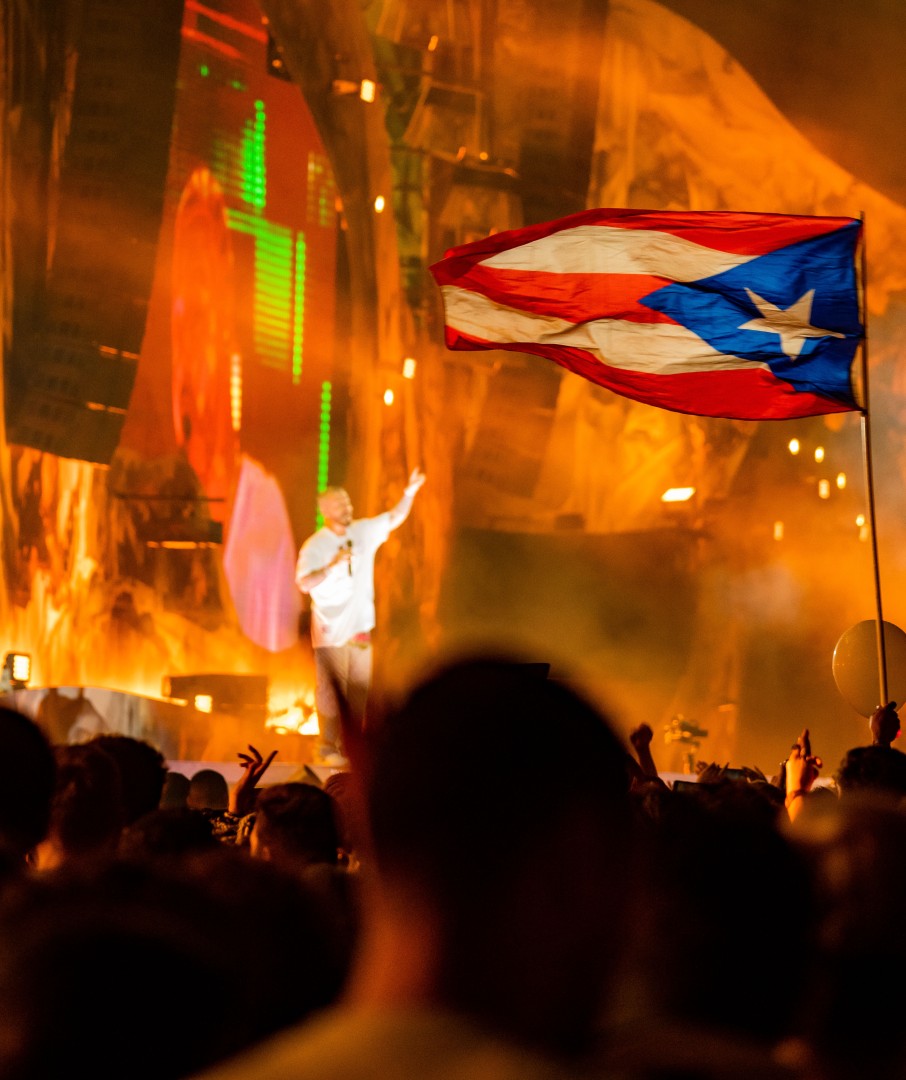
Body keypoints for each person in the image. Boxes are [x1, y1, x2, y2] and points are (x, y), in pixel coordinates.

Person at [295, 467, 426, 766]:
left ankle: (350, 749)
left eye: (348, 502)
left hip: (360, 630)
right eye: (340, 504)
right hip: (330, 631)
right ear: (326, 510)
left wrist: (410, 492)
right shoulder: (316, 545)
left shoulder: (363, 532)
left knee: (359, 692)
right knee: (331, 693)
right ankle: (326, 747)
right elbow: (304, 582)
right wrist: (330, 565)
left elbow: (393, 518)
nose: (347, 508)